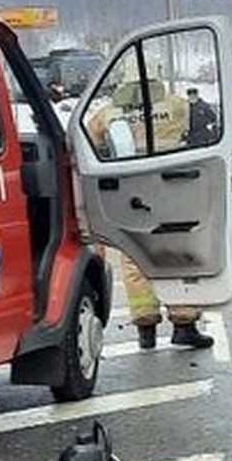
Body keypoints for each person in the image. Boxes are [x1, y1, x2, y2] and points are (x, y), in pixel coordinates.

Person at [87, 77, 213, 350]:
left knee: (134, 257)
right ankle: (184, 324)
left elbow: (89, 141)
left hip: (130, 191)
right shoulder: (177, 105)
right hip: (172, 187)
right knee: (177, 255)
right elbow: (202, 128)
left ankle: (146, 331)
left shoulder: (109, 113)